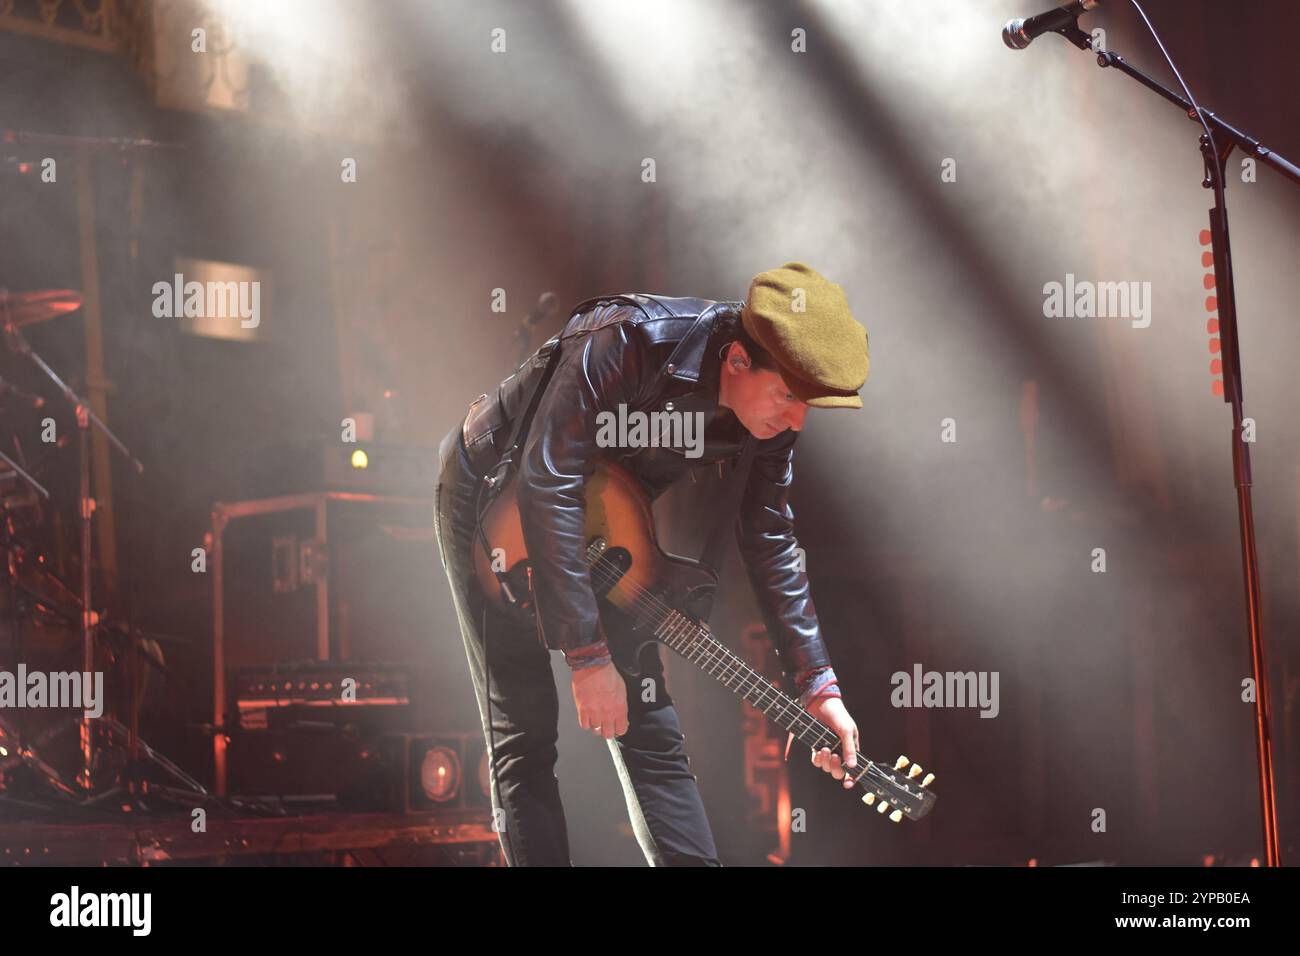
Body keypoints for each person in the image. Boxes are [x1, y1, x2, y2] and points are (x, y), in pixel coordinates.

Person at [434, 261, 870, 865]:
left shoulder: (770, 417)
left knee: (651, 729)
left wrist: (817, 682)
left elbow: (769, 534)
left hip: (607, 519)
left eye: (808, 406)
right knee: (525, 735)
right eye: (789, 397)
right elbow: (548, 481)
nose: (796, 420)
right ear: (739, 361)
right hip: (495, 496)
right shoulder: (628, 341)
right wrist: (588, 657)